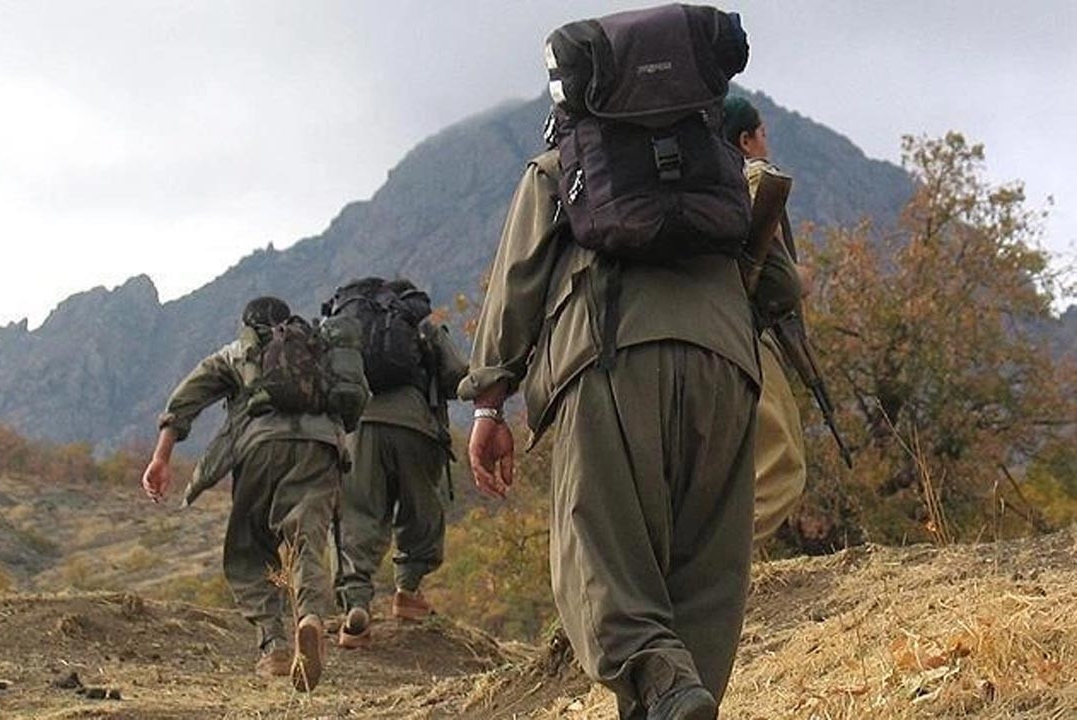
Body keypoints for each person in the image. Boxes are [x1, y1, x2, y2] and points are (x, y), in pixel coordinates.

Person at [460, 136, 760, 717]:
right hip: (726, 369)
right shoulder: (724, 164)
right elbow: (776, 285)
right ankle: (680, 695)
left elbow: (516, 285)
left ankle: (658, 674)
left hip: (608, 358)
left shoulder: (559, 169)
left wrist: (489, 405)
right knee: (705, 573)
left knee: (596, 551)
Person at [140, 296, 353, 693]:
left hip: (260, 447)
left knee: (250, 547)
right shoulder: (318, 348)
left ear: (247, 324)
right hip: (320, 446)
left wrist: (161, 458)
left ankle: (274, 644)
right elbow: (354, 395)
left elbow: (185, 400)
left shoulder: (238, 352)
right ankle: (310, 617)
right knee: (307, 536)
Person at [332, 281, 469, 648]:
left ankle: (356, 607)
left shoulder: (353, 326)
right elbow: (456, 373)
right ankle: (407, 592)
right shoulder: (419, 320)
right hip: (416, 425)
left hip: (360, 427)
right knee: (419, 508)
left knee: (360, 513)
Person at [722, 95, 809, 546]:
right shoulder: (754, 179)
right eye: (763, 134)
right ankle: (714, 571)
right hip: (739, 334)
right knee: (781, 467)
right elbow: (775, 281)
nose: (766, 143)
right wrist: (799, 278)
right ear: (745, 140)